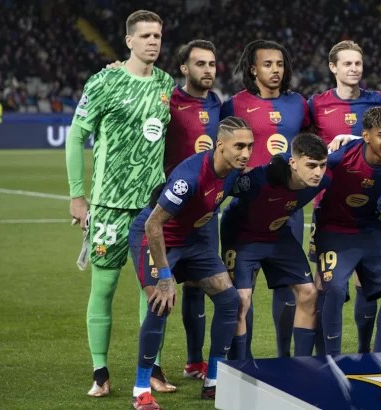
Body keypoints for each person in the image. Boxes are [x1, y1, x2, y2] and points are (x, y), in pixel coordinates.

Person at [65, 10, 173, 397]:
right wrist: (78, 195)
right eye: (145, 36)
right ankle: (100, 372)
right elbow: (76, 136)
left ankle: (152, 368)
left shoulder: (166, 83)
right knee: (105, 286)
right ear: (129, 41)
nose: (152, 41)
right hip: (110, 205)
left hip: (151, 210)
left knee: (154, 291)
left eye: (157, 35)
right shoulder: (104, 81)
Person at [128, 117, 253, 409]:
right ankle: (141, 389)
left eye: (249, 146)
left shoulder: (234, 171)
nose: (246, 153)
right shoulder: (189, 178)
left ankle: (213, 382)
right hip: (156, 238)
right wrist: (165, 276)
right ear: (220, 145)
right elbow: (153, 225)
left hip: (191, 239)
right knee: (161, 303)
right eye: (239, 146)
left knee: (229, 300)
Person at [221, 39, 311, 358]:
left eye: (280, 64)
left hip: (288, 209)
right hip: (245, 209)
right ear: (252, 69)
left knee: (287, 286)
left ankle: (283, 358)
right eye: (268, 64)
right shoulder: (234, 105)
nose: (275, 70)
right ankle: (240, 361)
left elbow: (310, 145)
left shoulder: (298, 104)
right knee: (241, 293)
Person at [307, 40, 381, 354]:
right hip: (328, 202)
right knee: (325, 281)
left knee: (364, 278)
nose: (354, 69)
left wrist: (355, 139)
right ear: (333, 67)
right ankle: (324, 354)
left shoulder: (380, 102)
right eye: (347, 63)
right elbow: (306, 145)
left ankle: (364, 350)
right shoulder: (316, 104)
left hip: (368, 199)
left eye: (358, 63)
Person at [316, 106, 381, 355]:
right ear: (366, 136)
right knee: (335, 290)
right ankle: (332, 360)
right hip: (333, 228)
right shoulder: (339, 159)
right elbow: (308, 184)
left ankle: (379, 360)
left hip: (370, 227)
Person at [221, 133, 330, 359]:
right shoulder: (259, 180)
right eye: (311, 165)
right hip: (242, 236)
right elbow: (219, 183)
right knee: (241, 299)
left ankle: (301, 364)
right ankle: (240, 366)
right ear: (293, 162)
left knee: (308, 293)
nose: (318, 172)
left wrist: (345, 138)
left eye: (322, 165)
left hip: (277, 234)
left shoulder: (322, 179)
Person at [164, 39, 222, 383]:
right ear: (184, 68)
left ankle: (195, 361)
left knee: (198, 285)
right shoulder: (168, 101)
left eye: (212, 64)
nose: (208, 70)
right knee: (159, 287)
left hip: (206, 212)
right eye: (200, 64)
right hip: (170, 210)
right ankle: (151, 370)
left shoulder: (218, 104)